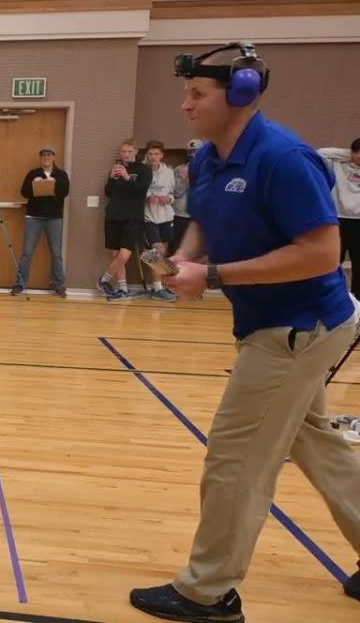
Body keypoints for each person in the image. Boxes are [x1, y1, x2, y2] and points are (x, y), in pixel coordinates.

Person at [130, 41, 360, 622]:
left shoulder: (283, 158)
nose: (185, 105)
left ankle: (208, 591)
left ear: (240, 95)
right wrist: (185, 259)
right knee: (317, 442)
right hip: (279, 324)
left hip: (297, 328)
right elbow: (206, 219)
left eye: (197, 93)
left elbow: (322, 252)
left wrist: (212, 276)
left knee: (237, 458)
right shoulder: (209, 158)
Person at [11, 145, 70, 297]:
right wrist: (35, 185)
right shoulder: (33, 174)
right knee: (27, 253)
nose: (46, 158)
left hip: (54, 218)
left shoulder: (61, 174)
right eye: (44, 155)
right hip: (34, 217)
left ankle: (58, 285)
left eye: (49, 155)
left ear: (54, 157)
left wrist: (52, 183)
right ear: (40, 158)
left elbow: (65, 192)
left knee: (56, 253)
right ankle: (20, 284)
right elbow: (24, 192)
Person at [98, 140, 152, 299]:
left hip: (133, 217)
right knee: (115, 255)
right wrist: (112, 178)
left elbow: (141, 192)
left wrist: (128, 178)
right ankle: (123, 288)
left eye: (129, 151)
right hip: (113, 216)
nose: (126, 154)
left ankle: (103, 280)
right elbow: (108, 193)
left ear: (135, 152)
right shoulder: (116, 168)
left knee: (124, 255)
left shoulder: (144, 170)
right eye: (123, 152)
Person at [319, 138, 360, 299]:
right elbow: (321, 152)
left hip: (358, 222)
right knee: (333, 261)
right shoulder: (338, 163)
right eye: (356, 153)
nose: (359, 157)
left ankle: (357, 299)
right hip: (338, 220)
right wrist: (348, 155)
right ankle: (330, 296)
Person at [142, 139, 178, 300]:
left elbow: (173, 195)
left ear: (161, 155)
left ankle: (162, 286)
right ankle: (157, 289)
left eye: (156, 154)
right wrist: (147, 197)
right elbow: (135, 193)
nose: (153, 157)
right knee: (155, 252)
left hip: (166, 217)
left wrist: (167, 199)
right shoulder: (142, 170)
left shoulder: (169, 172)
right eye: (150, 154)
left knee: (163, 253)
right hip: (148, 217)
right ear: (146, 155)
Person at [171, 138, 203, 252]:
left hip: (197, 215)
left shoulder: (206, 169)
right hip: (179, 215)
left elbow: (201, 191)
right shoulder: (179, 169)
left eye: (196, 151)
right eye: (190, 151)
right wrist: (183, 178)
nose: (193, 154)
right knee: (177, 246)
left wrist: (189, 178)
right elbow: (177, 192)